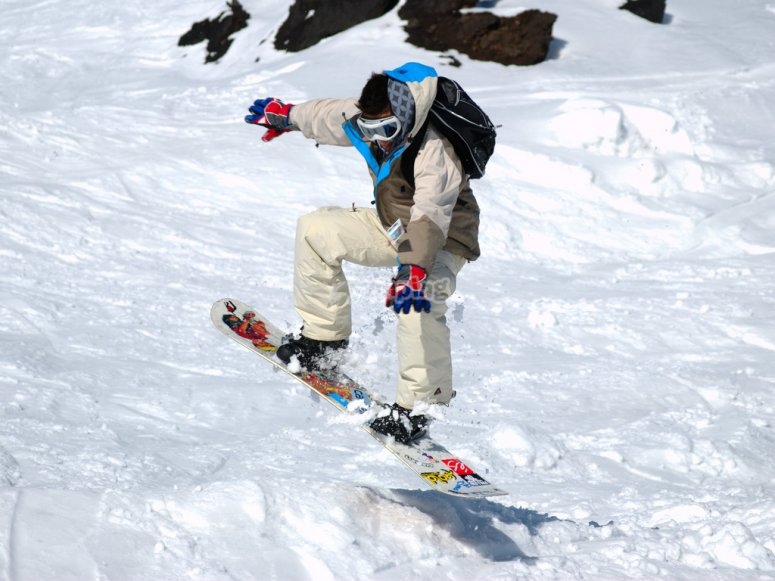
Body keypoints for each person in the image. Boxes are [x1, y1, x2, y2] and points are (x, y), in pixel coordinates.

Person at [244, 62, 480, 444]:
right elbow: (330, 116)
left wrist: (413, 271)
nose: (379, 140)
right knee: (316, 229)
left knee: (418, 302)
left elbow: (431, 212)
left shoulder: (437, 148)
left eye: (387, 131)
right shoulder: (373, 118)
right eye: (370, 132)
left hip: (443, 238)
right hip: (394, 227)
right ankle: (323, 339)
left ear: (406, 118)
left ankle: (417, 409)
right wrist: (287, 117)